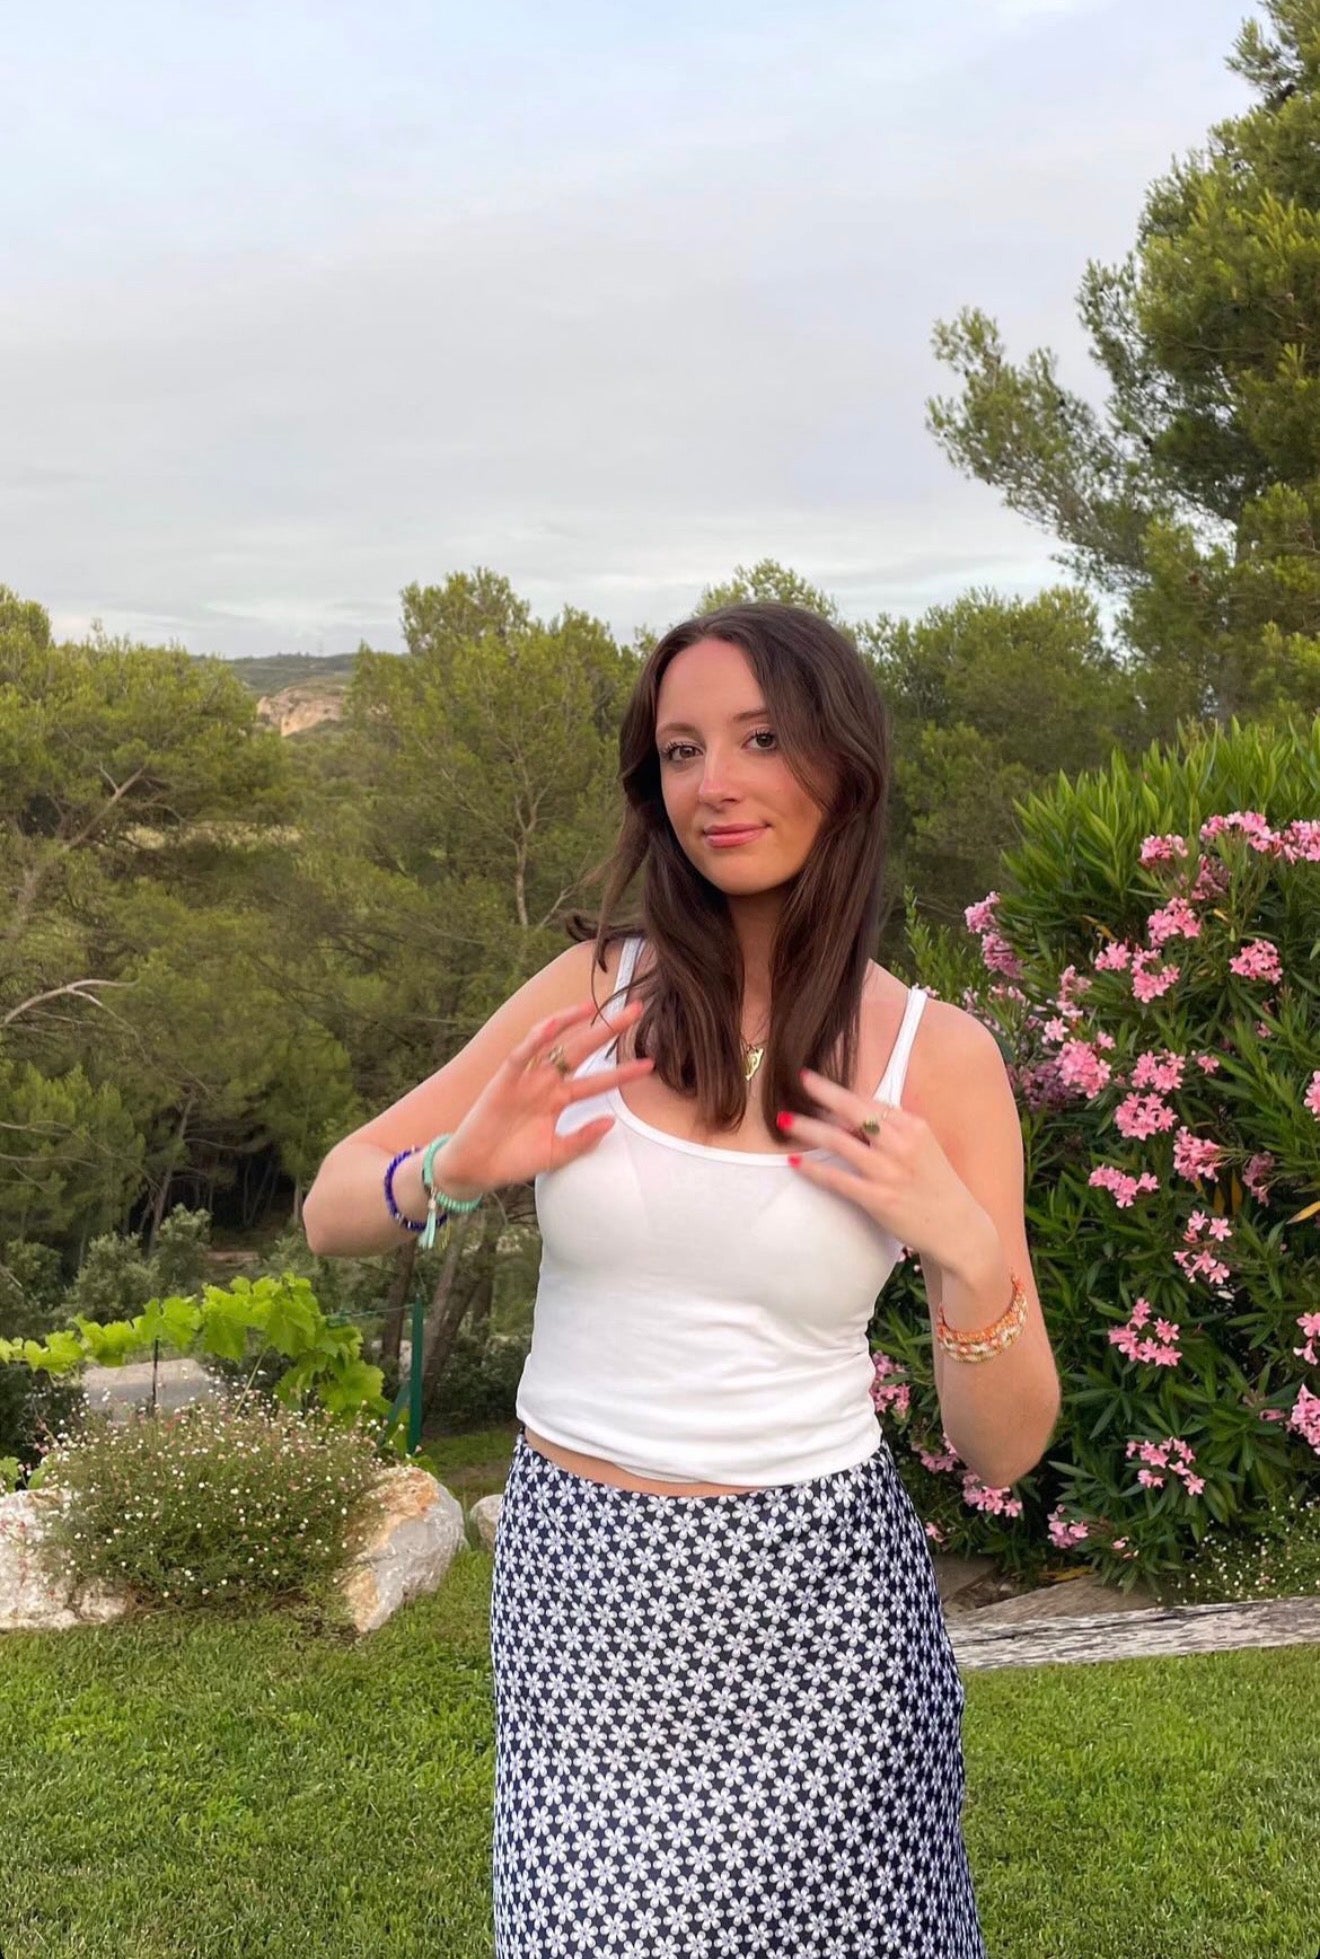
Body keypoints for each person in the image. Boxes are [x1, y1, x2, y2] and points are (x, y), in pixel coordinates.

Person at [303, 600, 1062, 1956]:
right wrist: (455, 1170)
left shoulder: (937, 1061)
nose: (715, 782)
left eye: (762, 738)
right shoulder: (593, 993)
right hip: (582, 1603)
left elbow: (1002, 1450)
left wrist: (968, 1248)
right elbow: (331, 1205)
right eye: (681, 749)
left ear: (844, 764)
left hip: (825, 1616)